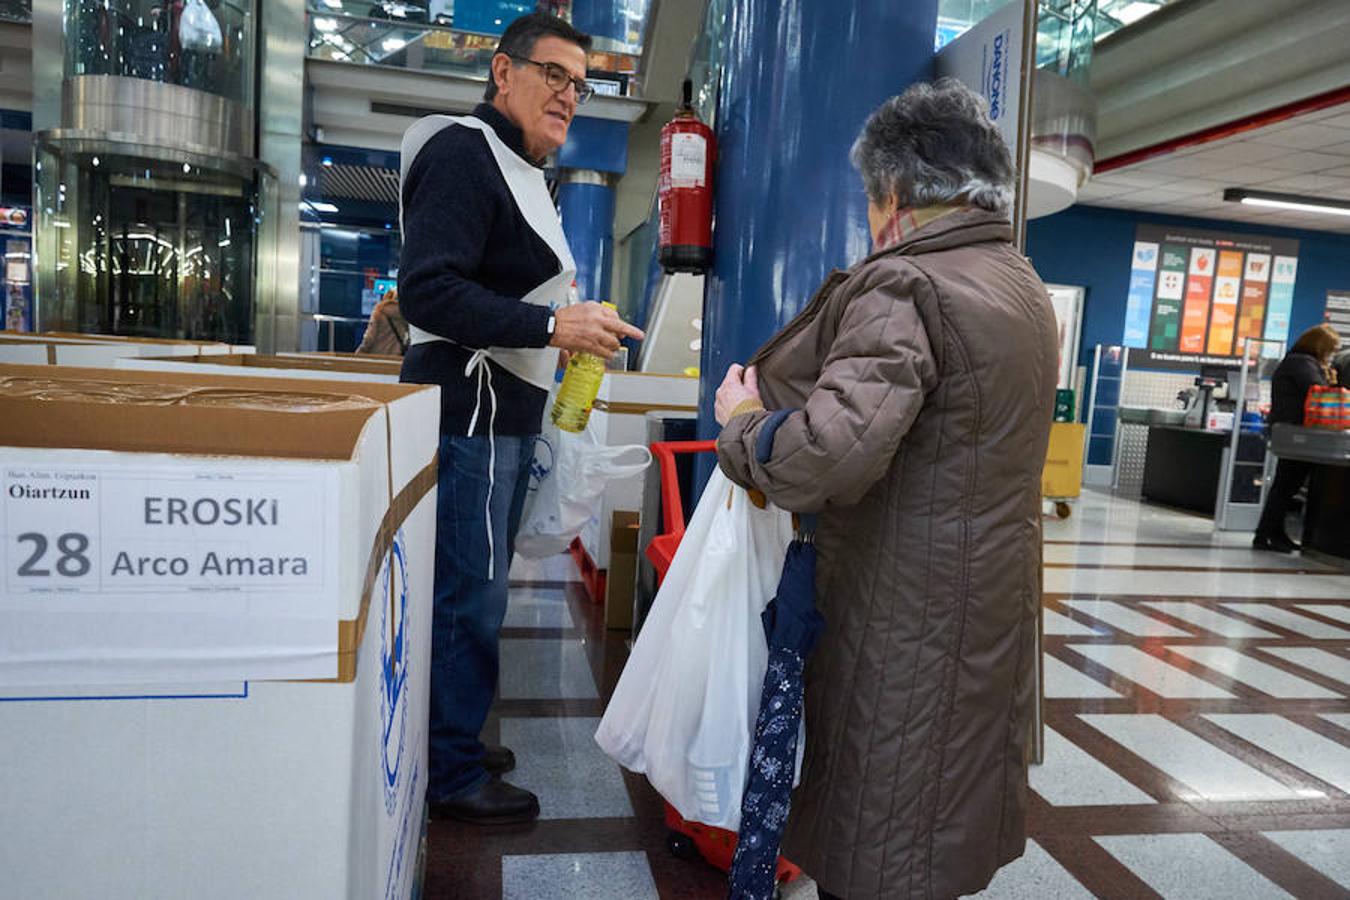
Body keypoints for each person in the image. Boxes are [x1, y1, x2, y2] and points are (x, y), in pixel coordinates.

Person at [714, 79, 1057, 900]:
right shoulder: (1021, 285)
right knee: (939, 831)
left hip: (903, 621)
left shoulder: (905, 285)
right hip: (984, 611)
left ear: (893, 193)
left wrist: (744, 423)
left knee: (884, 844)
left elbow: (828, 455)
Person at [397, 12, 643, 825]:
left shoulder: (519, 167)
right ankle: (453, 772)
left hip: (504, 414)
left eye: (580, 82)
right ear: (503, 72)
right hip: (470, 411)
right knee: (469, 592)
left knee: (483, 585)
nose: (569, 95)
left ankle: (452, 736)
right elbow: (429, 290)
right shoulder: (463, 153)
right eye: (554, 75)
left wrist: (568, 326)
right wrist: (550, 327)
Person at [1254, 323, 1341, 553]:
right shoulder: (1302, 363)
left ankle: (1274, 533)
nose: (1330, 355)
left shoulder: (1296, 361)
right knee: (1285, 486)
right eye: (1330, 349)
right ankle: (1265, 535)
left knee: (1286, 486)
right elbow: (1318, 392)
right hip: (1297, 434)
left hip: (1292, 432)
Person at [355, 288, 409, 356]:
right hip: (395, 358)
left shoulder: (379, 311)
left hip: (376, 357)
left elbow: (369, 338)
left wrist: (360, 352)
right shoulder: (405, 315)